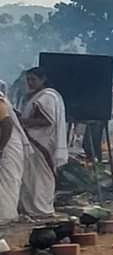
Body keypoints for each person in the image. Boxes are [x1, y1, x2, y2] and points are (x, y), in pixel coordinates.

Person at [18, 67, 68, 218]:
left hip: (42, 143)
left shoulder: (47, 96)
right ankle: (32, 208)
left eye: (33, 79)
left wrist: (22, 121)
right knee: (32, 178)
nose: (30, 83)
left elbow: (47, 120)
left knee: (41, 177)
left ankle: (41, 208)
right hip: (34, 142)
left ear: (42, 79)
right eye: (28, 80)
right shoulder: (35, 96)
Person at [0, 82, 29, 223]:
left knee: (7, 181)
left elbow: (7, 124)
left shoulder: (1, 104)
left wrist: (1, 148)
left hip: (7, 148)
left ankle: (6, 215)